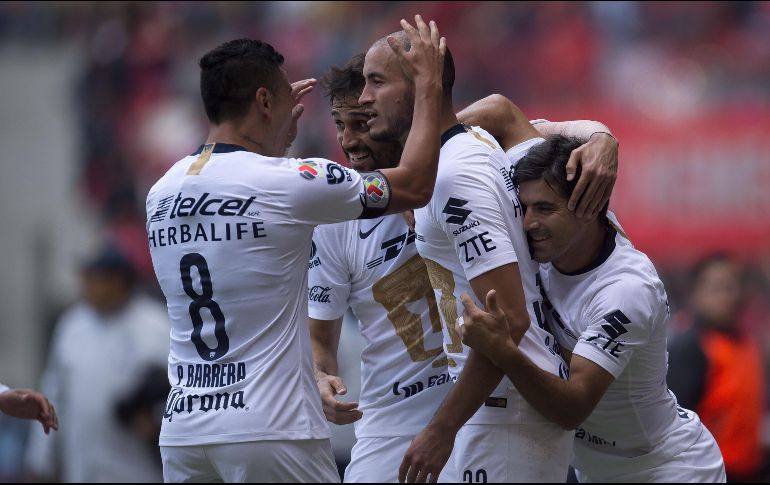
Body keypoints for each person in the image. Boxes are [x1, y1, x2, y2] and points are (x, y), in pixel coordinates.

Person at [146, 16, 446, 483]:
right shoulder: (292, 181)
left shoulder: (161, 193)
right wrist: (429, 86)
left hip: (185, 432)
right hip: (270, 428)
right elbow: (416, 184)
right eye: (288, 96)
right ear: (264, 101)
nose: (296, 111)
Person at [312, 52, 619, 483]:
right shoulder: (339, 212)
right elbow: (319, 336)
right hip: (393, 425)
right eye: (339, 124)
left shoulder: (460, 167)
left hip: (482, 403)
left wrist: (604, 138)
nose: (349, 141)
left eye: (362, 121)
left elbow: (522, 120)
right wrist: (322, 375)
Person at [457, 134, 726, 482]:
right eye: (524, 208)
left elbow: (572, 408)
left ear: (588, 206)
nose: (526, 224)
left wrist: (503, 352)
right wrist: (604, 137)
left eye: (544, 209)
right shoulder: (551, 244)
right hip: (595, 471)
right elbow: (502, 112)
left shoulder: (626, 290)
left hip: (668, 470)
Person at [25, 244, 170, 483]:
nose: (87, 284)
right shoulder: (72, 325)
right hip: (84, 466)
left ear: (120, 280)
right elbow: (55, 392)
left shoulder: (155, 324)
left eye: (96, 277)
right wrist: (41, 459)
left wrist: (156, 420)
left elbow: (175, 386)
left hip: (138, 467)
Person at [668, 253, 767, 482]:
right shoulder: (690, 345)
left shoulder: (747, 341)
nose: (731, 295)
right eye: (720, 287)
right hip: (709, 472)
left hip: (750, 469)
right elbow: (675, 422)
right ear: (696, 293)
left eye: (735, 285)